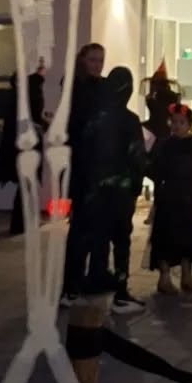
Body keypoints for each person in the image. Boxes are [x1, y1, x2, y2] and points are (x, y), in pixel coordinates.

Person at [80, 65, 148, 315]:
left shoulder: (96, 119)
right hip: (121, 192)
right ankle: (121, 292)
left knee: (99, 238)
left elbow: (84, 153)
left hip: (97, 190)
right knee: (121, 241)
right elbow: (138, 158)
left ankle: (95, 284)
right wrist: (136, 186)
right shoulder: (129, 121)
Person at [147, 104, 192, 295]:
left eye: (181, 122)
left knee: (190, 239)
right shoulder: (164, 145)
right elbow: (155, 171)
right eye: (174, 122)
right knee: (165, 239)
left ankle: (187, 276)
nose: (176, 126)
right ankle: (164, 278)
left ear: (189, 125)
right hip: (168, 200)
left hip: (191, 201)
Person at [62, 42, 106, 303]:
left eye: (100, 60)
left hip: (95, 167)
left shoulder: (99, 87)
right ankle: (71, 284)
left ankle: (86, 279)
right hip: (82, 167)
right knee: (80, 229)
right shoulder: (77, 88)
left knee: (92, 228)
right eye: (93, 60)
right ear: (83, 61)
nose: (97, 65)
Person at [0, 67, 46, 237]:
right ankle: (20, 223)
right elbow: (35, 117)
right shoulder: (33, 91)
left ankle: (22, 222)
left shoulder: (17, 95)